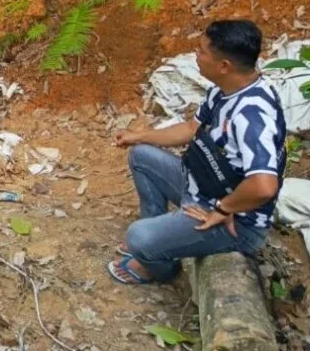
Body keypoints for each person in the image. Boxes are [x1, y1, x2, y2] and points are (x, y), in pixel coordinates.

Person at [108, 19, 286, 284]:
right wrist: (140, 136)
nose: (196, 56)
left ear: (224, 65)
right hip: (205, 187)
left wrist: (223, 209)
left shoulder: (251, 115)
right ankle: (161, 239)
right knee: (142, 155)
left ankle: (160, 265)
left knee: (138, 237)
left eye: (202, 51)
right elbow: (191, 128)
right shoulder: (224, 91)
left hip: (237, 221)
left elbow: (264, 186)